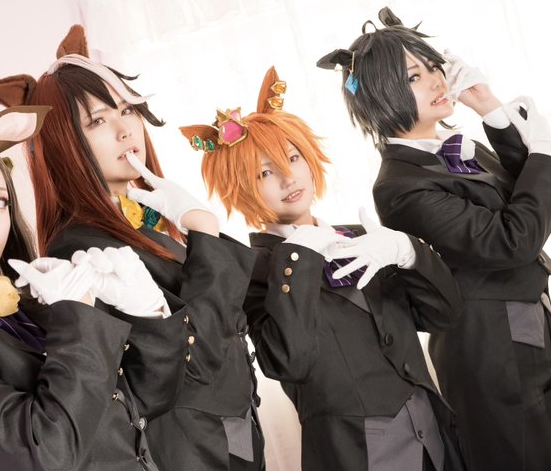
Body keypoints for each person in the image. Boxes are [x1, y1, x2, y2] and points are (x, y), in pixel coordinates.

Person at [0, 38, 188, 471]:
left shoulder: (22, 304)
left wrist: (150, 312)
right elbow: (47, 452)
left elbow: (144, 403)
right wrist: (79, 319)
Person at [0, 25, 264, 471]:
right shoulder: (80, 248)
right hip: (191, 450)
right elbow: (194, 360)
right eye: (97, 121)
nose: (124, 129)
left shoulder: (139, 219)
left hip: (230, 435)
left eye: (127, 109)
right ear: (62, 144)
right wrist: (204, 229)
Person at [184, 65, 466, 471]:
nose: (288, 177)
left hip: (436, 439)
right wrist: (298, 256)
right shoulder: (251, 272)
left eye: (292, 158)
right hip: (354, 454)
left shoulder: (363, 236)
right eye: (265, 172)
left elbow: (445, 315)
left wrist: (408, 252)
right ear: (241, 189)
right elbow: (289, 362)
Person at [317, 7, 551, 471]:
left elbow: (523, 196)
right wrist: (546, 147)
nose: (435, 81)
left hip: (533, 324)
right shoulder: (399, 185)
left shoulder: (455, 151)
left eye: (433, 67)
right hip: (490, 348)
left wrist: (490, 109)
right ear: (382, 95)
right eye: (414, 76)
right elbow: (514, 238)